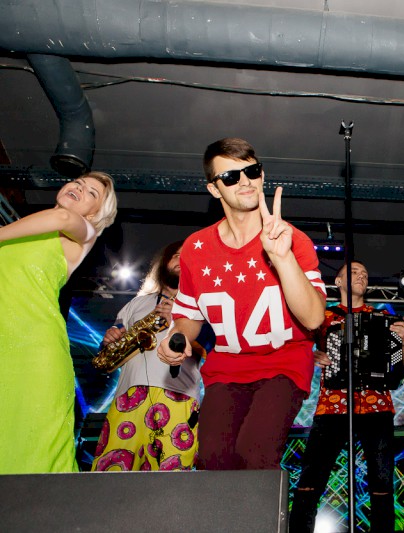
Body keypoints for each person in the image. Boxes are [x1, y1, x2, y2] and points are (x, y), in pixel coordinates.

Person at [157, 137, 326, 470]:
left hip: (284, 362)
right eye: (231, 177)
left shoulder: (292, 239)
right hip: (228, 367)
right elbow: (189, 316)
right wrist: (176, 337)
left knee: (255, 454)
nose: (246, 181)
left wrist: (283, 257)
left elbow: (313, 318)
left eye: (252, 171)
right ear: (214, 189)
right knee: (213, 461)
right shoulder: (196, 248)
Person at [0, 171, 117, 474]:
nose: (80, 188)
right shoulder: (21, 232)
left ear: (94, 214)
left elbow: (62, 218)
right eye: (78, 183)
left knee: (34, 446)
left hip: (33, 351)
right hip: (3, 343)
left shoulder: (82, 235)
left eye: (92, 193)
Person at [289, 260, 404, 533]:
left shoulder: (383, 317)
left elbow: (396, 373)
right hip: (332, 406)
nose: (361, 276)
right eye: (354, 272)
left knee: (382, 483)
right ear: (338, 281)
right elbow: (297, 348)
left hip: (377, 406)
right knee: (311, 480)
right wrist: (312, 356)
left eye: (365, 273)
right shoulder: (321, 316)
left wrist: (403, 344)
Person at [92, 240, 204, 471]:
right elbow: (111, 350)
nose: (181, 260)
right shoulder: (135, 304)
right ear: (164, 263)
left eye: (188, 257)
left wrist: (178, 324)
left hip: (179, 397)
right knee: (112, 474)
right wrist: (110, 339)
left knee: (172, 480)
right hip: (128, 396)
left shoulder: (202, 307)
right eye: (175, 255)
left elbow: (209, 349)